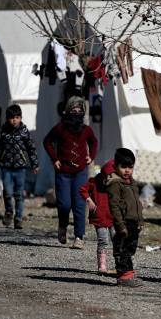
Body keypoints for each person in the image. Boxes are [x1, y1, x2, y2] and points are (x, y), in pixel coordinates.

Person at [43, 96, 98, 249]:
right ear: (67, 111)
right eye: (73, 110)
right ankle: (62, 226)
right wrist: (54, 159)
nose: (76, 113)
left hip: (80, 172)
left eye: (80, 111)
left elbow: (94, 142)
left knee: (79, 205)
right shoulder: (60, 128)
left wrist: (91, 157)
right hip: (63, 172)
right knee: (64, 204)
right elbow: (47, 141)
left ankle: (79, 237)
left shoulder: (86, 130)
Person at [0, 104, 39, 229]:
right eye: (11, 118)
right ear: (7, 118)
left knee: (19, 194)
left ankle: (19, 217)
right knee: (8, 192)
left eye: (17, 117)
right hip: (6, 167)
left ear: (20, 118)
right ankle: (9, 212)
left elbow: (31, 149)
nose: (14, 120)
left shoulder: (24, 131)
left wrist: (35, 164)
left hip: (21, 167)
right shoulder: (2, 132)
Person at [106, 148, 143, 287]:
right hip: (123, 222)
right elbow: (114, 206)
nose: (127, 170)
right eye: (123, 167)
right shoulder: (115, 183)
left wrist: (141, 220)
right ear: (116, 166)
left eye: (130, 167)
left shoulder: (131, 183)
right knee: (122, 249)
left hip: (134, 222)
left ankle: (128, 274)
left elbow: (137, 203)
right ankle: (124, 276)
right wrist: (120, 225)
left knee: (130, 248)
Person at [79, 159, 115, 274]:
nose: (109, 180)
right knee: (103, 240)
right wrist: (89, 200)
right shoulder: (93, 182)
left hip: (114, 218)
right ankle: (102, 265)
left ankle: (120, 264)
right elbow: (83, 190)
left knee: (117, 240)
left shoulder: (117, 184)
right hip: (99, 217)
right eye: (107, 177)